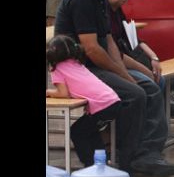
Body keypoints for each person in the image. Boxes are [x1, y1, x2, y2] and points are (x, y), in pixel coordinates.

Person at [54, 0, 174, 177]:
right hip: (77, 70)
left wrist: (126, 74)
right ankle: (126, 160)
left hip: (92, 66)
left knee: (148, 87)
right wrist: (125, 77)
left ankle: (146, 154)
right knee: (134, 94)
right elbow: (91, 49)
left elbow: (109, 42)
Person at [46, 34, 129, 167]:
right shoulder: (77, 63)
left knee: (77, 132)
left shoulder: (56, 69)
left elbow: (63, 93)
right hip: (112, 101)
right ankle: (100, 163)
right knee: (90, 130)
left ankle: (89, 165)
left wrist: (48, 92)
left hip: (103, 105)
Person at [106, 0, 164, 88]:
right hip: (111, 65)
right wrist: (145, 70)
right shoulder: (104, 11)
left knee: (160, 79)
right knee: (150, 84)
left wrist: (154, 58)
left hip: (124, 61)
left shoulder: (117, 11)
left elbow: (135, 39)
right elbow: (115, 54)